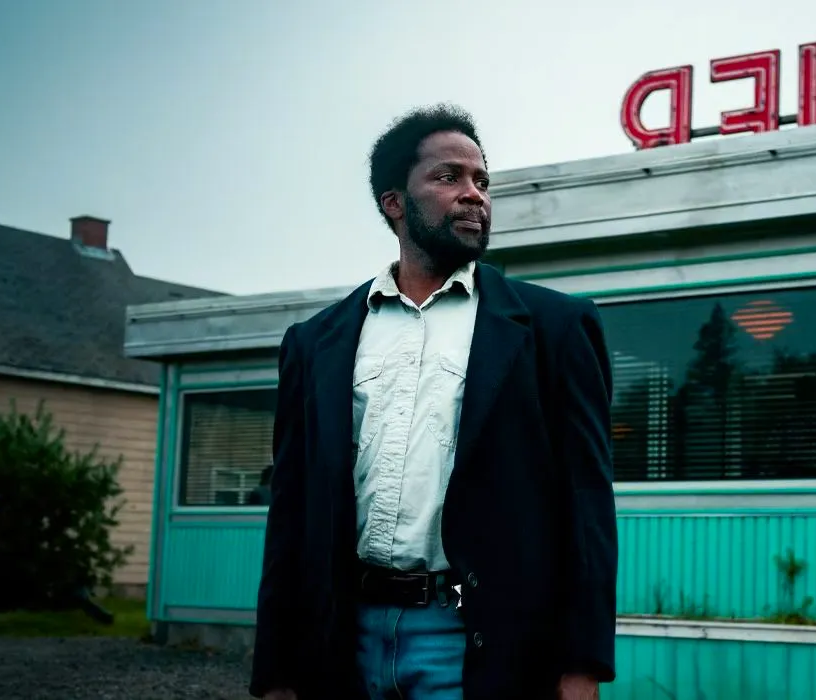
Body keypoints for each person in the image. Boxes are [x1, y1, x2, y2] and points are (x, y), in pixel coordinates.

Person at [248, 103, 618, 700]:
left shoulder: (553, 327)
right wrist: (276, 671)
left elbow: (587, 506)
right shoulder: (316, 342)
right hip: (341, 641)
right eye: (449, 178)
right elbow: (291, 513)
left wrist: (582, 666)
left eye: (482, 181)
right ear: (395, 203)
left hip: (477, 643)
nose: (474, 195)